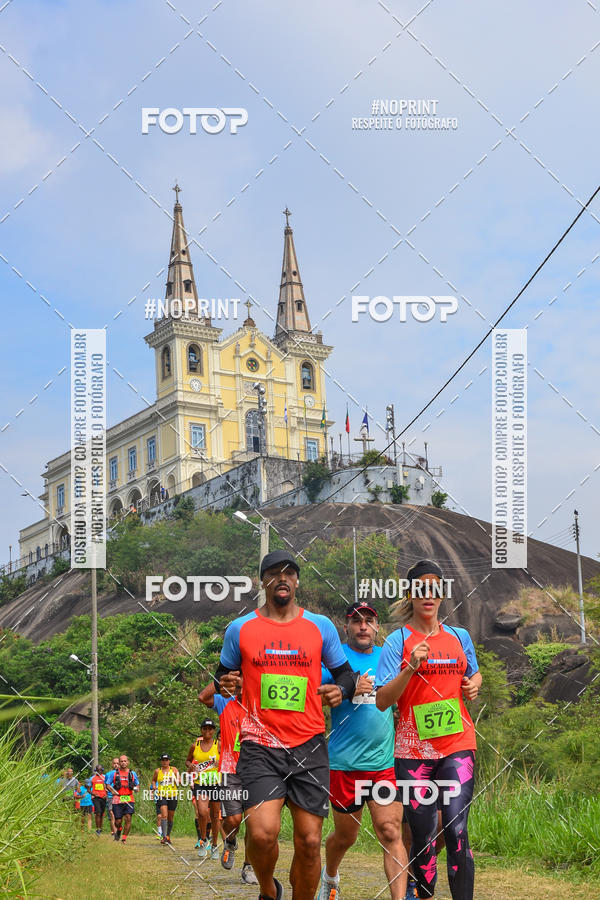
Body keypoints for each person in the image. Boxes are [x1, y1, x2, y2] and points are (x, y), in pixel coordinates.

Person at [214, 549, 359, 900]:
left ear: (297, 581)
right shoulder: (241, 629)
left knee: (309, 841)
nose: (282, 578)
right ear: (262, 581)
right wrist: (226, 682)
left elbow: (346, 675)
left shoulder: (319, 626)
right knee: (263, 833)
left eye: (289, 572)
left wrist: (340, 689)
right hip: (259, 745)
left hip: (309, 745)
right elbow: (221, 674)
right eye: (274, 573)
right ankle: (267, 889)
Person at [375, 560, 482, 900]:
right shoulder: (398, 641)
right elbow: (381, 700)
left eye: (434, 587)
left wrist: (473, 685)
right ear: (410, 593)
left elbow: (474, 674)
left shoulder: (459, 636)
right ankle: (423, 893)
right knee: (423, 835)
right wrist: (409, 669)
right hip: (412, 752)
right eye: (420, 587)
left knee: (456, 828)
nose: (428, 594)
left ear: (440, 594)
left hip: (457, 744)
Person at [318, 600, 408, 900]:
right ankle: (330, 875)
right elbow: (313, 698)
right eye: (356, 621)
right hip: (344, 765)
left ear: (377, 627)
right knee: (346, 837)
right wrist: (346, 690)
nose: (363, 626)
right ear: (346, 626)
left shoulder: (389, 657)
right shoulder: (335, 660)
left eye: (368, 621)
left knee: (390, 831)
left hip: (383, 764)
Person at [198, 681, 258, 885]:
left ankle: (248, 866)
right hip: (230, 771)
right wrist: (220, 679)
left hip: (257, 771)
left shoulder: (261, 703)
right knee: (233, 819)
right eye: (238, 684)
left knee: (253, 821)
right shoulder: (225, 702)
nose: (242, 688)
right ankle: (230, 842)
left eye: (245, 683)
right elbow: (203, 698)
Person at [185, 719, 221, 859]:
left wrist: (220, 762)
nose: (207, 731)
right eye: (205, 728)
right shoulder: (195, 745)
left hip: (215, 783)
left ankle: (214, 845)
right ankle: (204, 839)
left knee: (215, 815)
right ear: (201, 730)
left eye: (210, 728)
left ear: (213, 731)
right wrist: (190, 765)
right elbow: (187, 760)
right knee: (201, 812)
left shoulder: (219, 745)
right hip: (200, 782)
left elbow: (227, 759)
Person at [106, 754, 140, 844]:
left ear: (128, 762)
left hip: (129, 798)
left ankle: (124, 838)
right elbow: (107, 784)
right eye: (121, 761)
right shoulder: (114, 773)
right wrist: (112, 791)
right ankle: (119, 829)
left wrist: (136, 788)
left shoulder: (132, 773)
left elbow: (137, 784)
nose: (123, 763)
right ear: (119, 763)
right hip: (117, 799)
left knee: (128, 818)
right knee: (118, 821)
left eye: (125, 761)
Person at [151, 754, 180, 844]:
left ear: (169, 761)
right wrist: (154, 786)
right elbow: (154, 780)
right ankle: (164, 837)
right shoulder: (157, 771)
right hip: (161, 795)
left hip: (172, 795)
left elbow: (180, 782)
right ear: (161, 761)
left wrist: (174, 779)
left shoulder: (174, 770)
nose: (165, 761)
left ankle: (168, 835)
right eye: (163, 760)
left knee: (170, 817)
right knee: (164, 815)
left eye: (166, 760)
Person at [91, 765, 108, 835]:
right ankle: (97, 829)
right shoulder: (92, 778)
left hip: (103, 797)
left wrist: (106, 795)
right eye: (97, 770)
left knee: (101, 813)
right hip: (96, 798)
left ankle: (100, 828)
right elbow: (88, 788)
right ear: (96, 771)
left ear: (102, 770)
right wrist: (92, 794)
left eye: (100, 770)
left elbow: (108, 787)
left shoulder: (105, 778)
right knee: (98, 813)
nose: (99, 771)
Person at [105, 757, 120, 835]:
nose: (116, 765)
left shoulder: (123, 773)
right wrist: (111, 791)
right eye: (115, 763)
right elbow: (106, 785)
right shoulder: (108, 774)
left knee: (119, 815)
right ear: (112, 764)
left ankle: (118, 829)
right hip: (110, 796)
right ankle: (114, 832)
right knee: (112, 813)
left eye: (118, 763)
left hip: (120, 797)